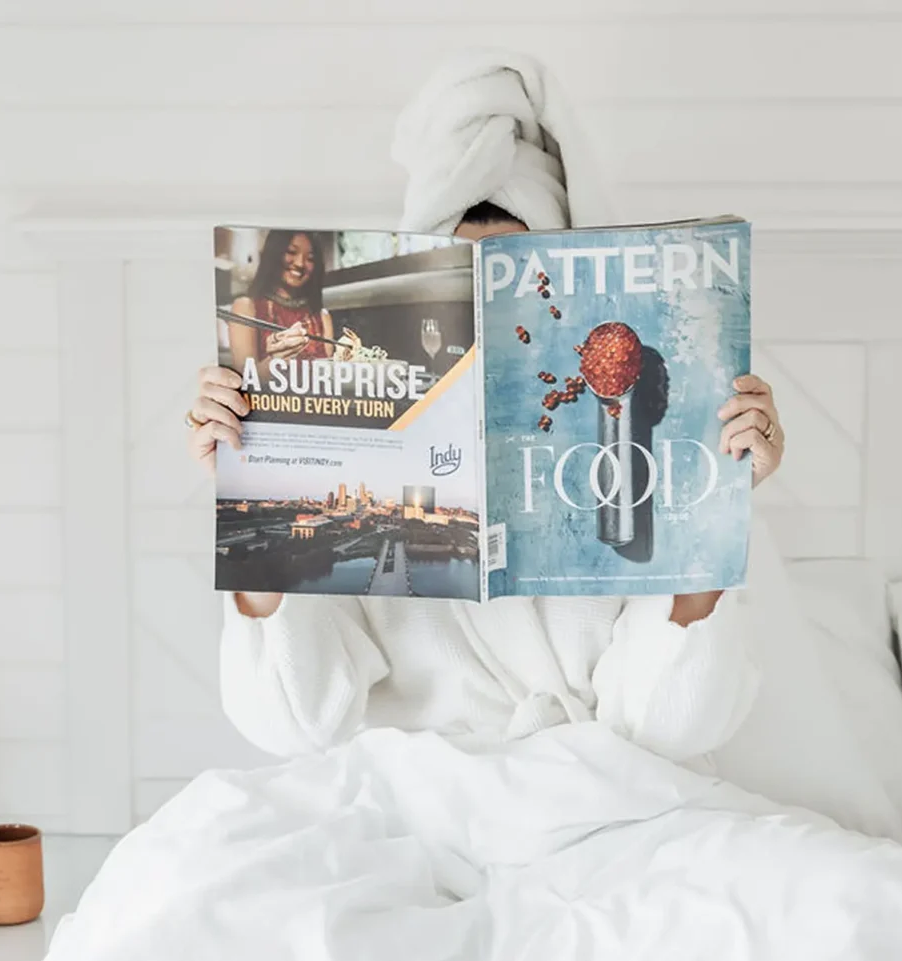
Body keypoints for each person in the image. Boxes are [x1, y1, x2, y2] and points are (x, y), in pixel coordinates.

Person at [185, 52, 785, 765]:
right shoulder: (350, 454)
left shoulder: (635, 434)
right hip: (409, 800)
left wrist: (714, 503)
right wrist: (257, 478)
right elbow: (289, 724)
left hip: (595, 789)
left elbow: (674, 729)